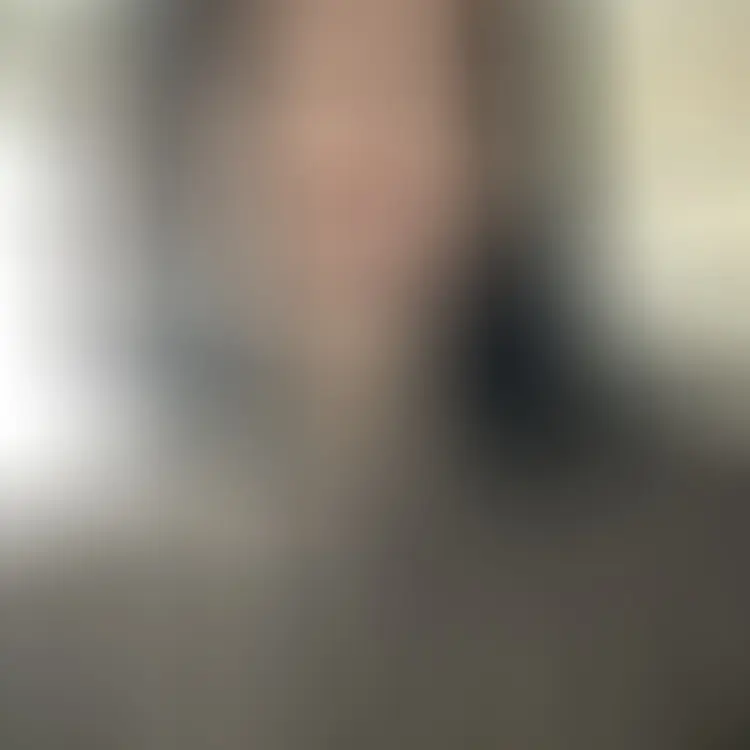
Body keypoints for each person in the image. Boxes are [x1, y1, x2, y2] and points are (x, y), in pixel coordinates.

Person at [3, 1, 750, 748]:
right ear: (188, 135)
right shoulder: (57, 624)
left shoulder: (694, 551)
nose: (346, 144)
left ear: (504, 146)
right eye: (289, 85)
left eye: (406, 83)